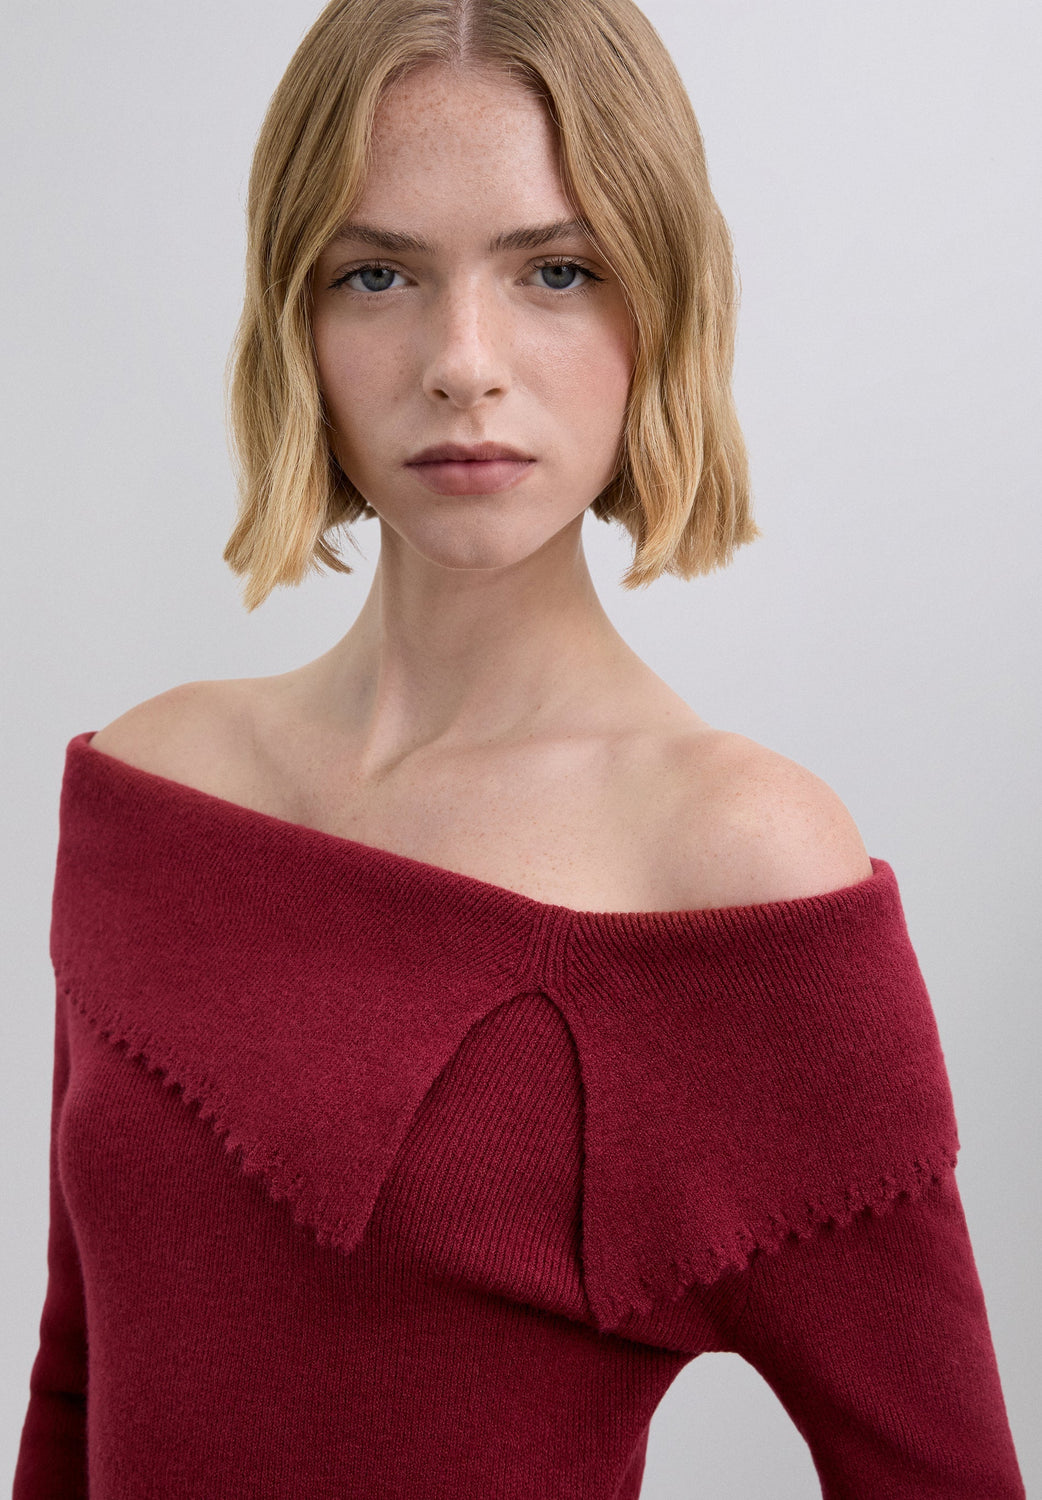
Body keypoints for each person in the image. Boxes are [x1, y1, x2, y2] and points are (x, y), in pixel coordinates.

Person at [13, 0, 1026, 1495]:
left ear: (661, 304)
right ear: (296, 316)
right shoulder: (153, 786)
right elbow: (73, 1393)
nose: (461, 362)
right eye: (377, 274)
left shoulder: (735, 861)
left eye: (556, 270)